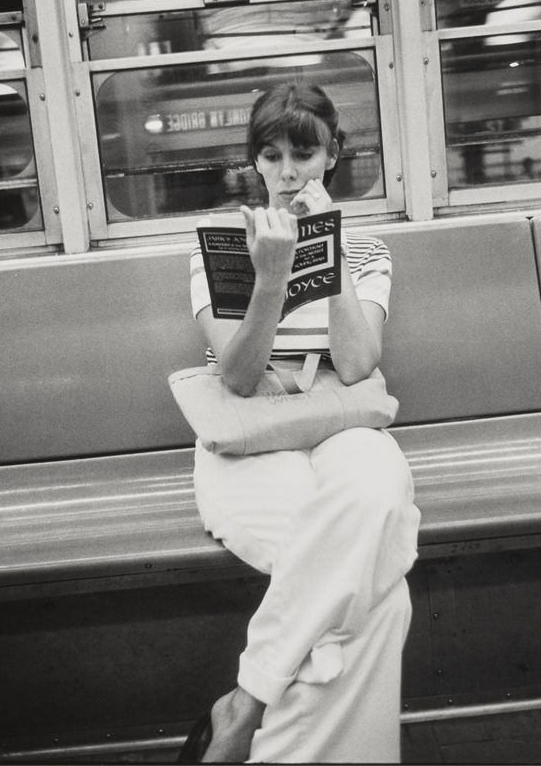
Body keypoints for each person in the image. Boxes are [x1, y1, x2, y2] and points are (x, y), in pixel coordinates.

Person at [185, 82, 421, 763]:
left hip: (341, 422)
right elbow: (235, 375)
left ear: (332, 157)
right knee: (377, 596)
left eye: (304, 154)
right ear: (253, 164)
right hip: (249, 433)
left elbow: (354, 367)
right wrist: (271, 277)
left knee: (376, 493)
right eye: (271, 156)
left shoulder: (369, 252)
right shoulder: (222, 246)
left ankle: (246, 704)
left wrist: (330, 249)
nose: (288, 174)